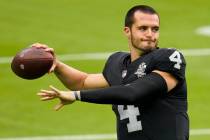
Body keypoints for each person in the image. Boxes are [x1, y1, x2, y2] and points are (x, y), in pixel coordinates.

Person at [35, 5, 189, 140]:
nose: (150, 34)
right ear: (127, 31)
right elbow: (81, 82)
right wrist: (58, 65)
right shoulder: (118, 62)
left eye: (155, 29)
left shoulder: (167, 58)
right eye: (143, 28)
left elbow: (133, 93)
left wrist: (76, 96)